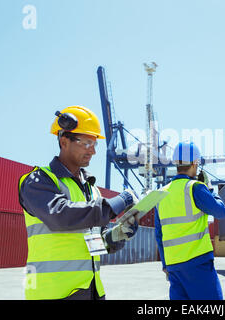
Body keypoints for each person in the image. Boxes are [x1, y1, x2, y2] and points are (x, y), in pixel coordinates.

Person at [18, 105, 139, 300]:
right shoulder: (38, 181)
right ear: (64, 141)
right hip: (53, 294)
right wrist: (118, 202)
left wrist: (117, 235)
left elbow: (93, 245)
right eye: (87, 143)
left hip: (91, 291)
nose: (93, 151)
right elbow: (61, 217)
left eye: (95, 144)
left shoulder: (91, 189)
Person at [154, 141, 225, 300]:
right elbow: (220, 211)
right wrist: (210, 189)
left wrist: (166, 264)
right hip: (197, 264)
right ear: (195, 163)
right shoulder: (195, 188)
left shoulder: (160, 195)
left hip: (174, 267)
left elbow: (159, 234)